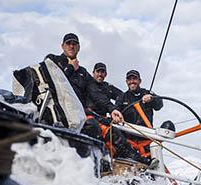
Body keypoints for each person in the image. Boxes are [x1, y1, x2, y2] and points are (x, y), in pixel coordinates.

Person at [45, 33, 151, 165]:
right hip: (59, 111)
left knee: (112, 129)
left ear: (78, 47)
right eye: (68, 43)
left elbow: (96, 94)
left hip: (81, 112)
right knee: (94, 126)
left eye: (74, 44)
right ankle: (98, 162)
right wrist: (71, 68)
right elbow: (54, 83)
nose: (71, 46)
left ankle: (133, 162)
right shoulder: (53, 60)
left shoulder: (84, 73)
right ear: (62, 46)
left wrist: (112, 109)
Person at [115, 70, 163, 157]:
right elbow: (116, 112)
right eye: (129, 79)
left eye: (134, 79)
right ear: (126, 82)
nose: (132, 81)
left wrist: (152, 99)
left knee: (155, 163)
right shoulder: (122, 97)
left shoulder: (147, 93)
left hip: (147, 138)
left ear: (139, 81)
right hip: (129, 141)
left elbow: (159, 105)